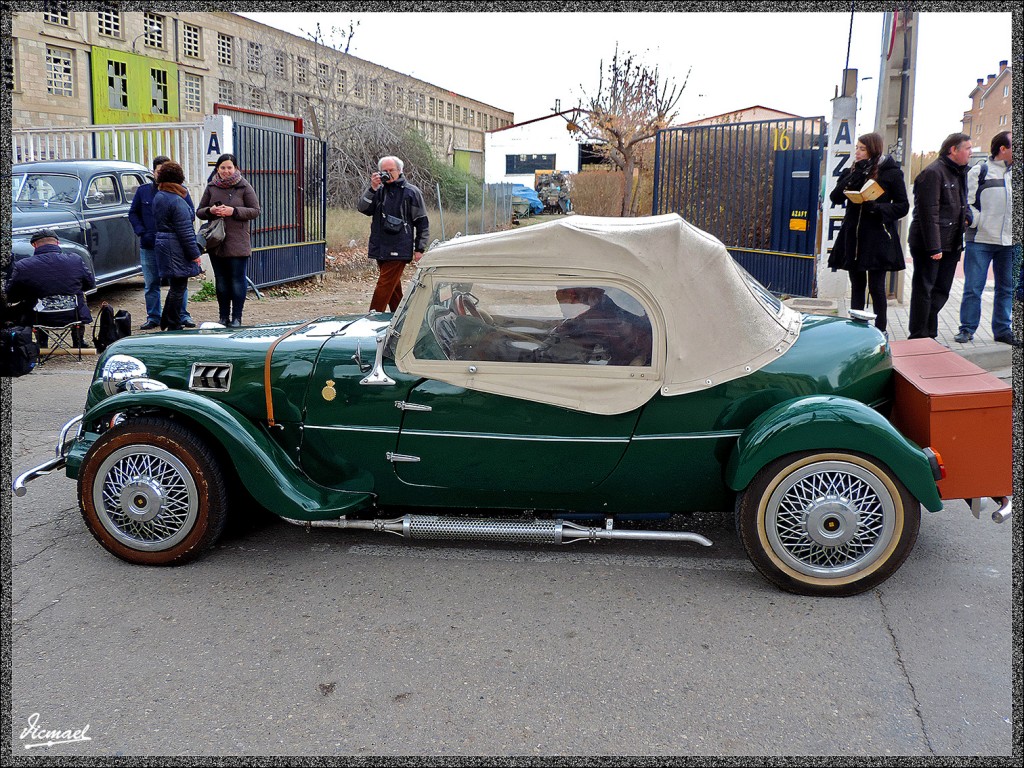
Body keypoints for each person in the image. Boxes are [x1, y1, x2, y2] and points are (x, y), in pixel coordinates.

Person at [827, 132, 909, 333]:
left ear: (873, 149)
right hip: (853, 236)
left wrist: (880, 208)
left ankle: (880, 330)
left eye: (862, 149)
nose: (857, 152)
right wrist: (850, 179)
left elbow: (903, 206)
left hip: (878, 238)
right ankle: (857, 330)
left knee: (876, 288)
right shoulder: (852, 170)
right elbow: (835, 198)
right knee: (857, 286)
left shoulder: (891, 173)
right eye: (856, 147)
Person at [907, 132, 972, 340]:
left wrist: (968, 217)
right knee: (924, 289)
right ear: (954, 150)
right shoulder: (933, 173)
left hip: (952, 242)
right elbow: (928, 212)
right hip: (930, 244)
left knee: (941, 290)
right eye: (967, 148)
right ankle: (919, 336)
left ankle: (929, 334)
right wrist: (934, 247)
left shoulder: (959, 172)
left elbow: (963, 202)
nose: (970, 152)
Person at [954, 131, 1013, 345]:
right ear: (1002, 149)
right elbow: (967, 203)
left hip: (1010, 243)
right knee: (973, 287)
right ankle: (967, 329)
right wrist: (979, 222)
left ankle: (1003, 330)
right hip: (980, 240)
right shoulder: (981, 171)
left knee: (1006, 288)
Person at [129, 155, 195, 331]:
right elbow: (133, 213)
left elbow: (191, 214)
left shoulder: (177, 193)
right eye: (158, 170)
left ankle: (181, 315)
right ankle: (156, 318)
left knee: (177, 284)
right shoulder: (146, 192)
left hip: (166, 244)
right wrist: (142, 232)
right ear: (153, 172)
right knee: (157, 283)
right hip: (153, 244)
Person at [357, 156, 430, 312]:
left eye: (391, 170)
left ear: (400, 171)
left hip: (400, 246)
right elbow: (363, 208)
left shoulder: (411, 192)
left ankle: (372, 318)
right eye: (384, 171)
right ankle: (401, 318)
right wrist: (372, 188)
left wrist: (420, 248)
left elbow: (422, 221)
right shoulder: (378, 191)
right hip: (379, 246)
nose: (388, 174)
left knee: (384, 285)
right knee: (392, 287)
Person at [196, 153, 261, 327]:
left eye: (229, 167)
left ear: (235, 168)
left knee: (237, 279)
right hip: (217, 241)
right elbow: (199, 211)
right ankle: (223, 317)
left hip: (238, 241)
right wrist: (211, 211)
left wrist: (234, 211)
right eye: (222, 168)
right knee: (221, 280)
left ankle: (237, 318)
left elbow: (255, 210)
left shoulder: (243, 186)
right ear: (217, 168)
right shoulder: (211, 186)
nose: (226, 171)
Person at [4, 229, 94, 347]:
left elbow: (11, 296)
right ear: (57, 243)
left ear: (34, 245)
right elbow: (90, 284)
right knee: (80, 296)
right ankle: (78, 341)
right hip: (73, 314)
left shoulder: (23, 265)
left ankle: (42, 343)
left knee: (31, 302)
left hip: (39, 318)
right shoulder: (75, 260)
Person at [153, 163, 203, 331]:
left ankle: (166, 320)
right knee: (179, 287)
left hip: (164, 244)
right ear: (179, 179)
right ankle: (173, 323)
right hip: (175, 247)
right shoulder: (176, 201)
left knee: (176, 286)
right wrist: (195, 254)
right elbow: (186, 232)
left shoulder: (160, 196)